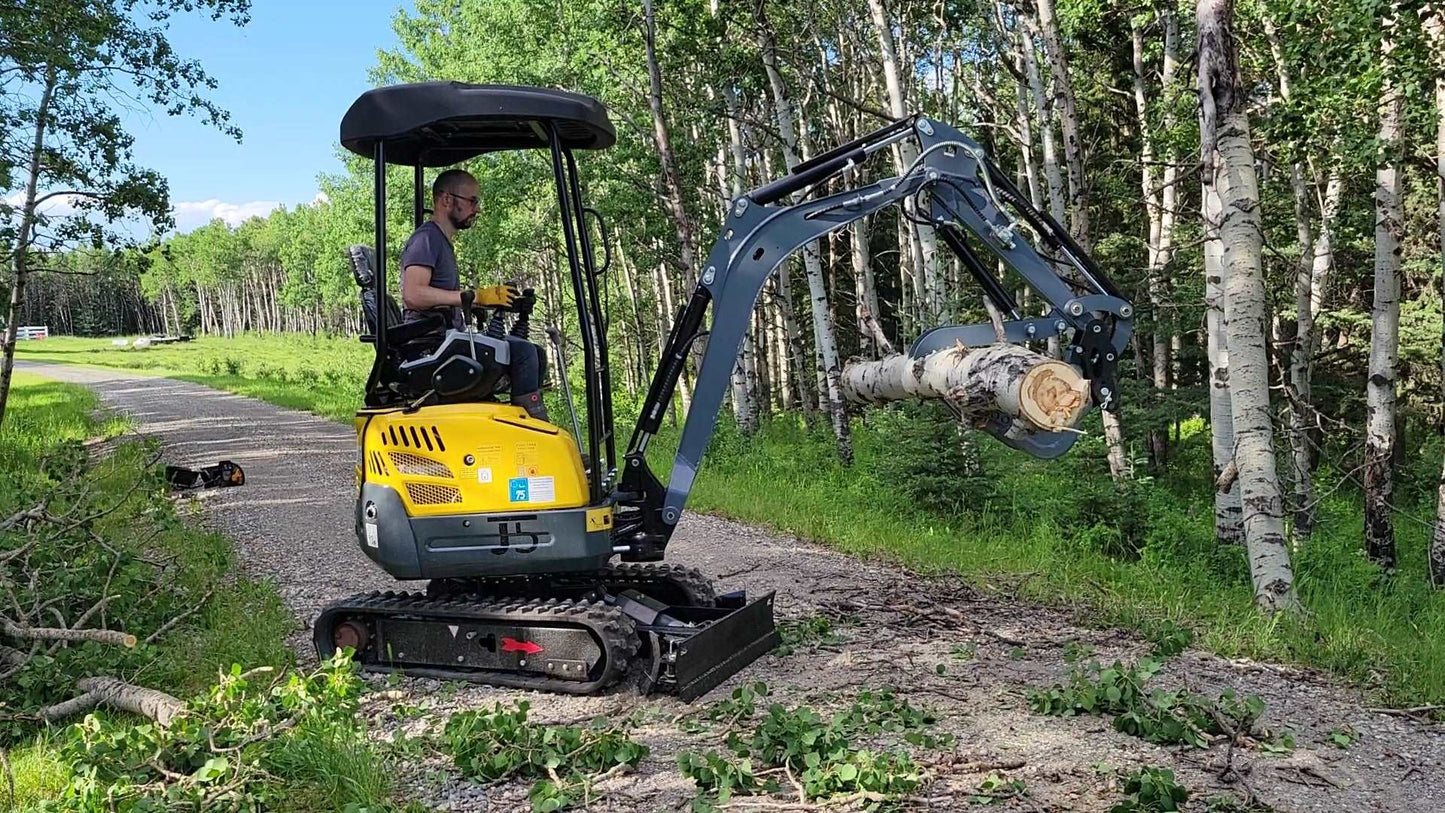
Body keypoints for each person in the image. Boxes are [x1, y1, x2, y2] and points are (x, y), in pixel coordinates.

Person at [399, 169, 548, 421]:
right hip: (430, 343)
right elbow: (413, 294)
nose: (477, 209)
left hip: (447, 337)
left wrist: (491, 300)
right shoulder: (426, 239)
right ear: (447, 199)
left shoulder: (441, 241)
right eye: (472, 201)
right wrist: (475, 297)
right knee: (523, 353)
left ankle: (516, 426)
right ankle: (534, 433)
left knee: (535, 353)